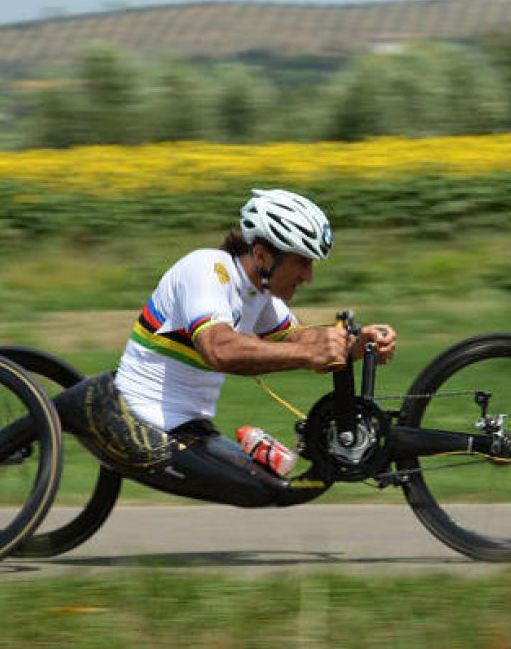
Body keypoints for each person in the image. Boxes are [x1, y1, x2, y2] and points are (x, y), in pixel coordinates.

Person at [54, 188, 397, 507]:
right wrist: (311, 354)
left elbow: (296, 339)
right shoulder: (206, 269)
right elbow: (218, 349)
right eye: (301, 262)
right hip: (134, 420)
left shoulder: (259, 295)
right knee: (268, 491)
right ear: (263, 255)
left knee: (280, 488)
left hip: (191, 429)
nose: (308, 276)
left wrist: (354, 346)